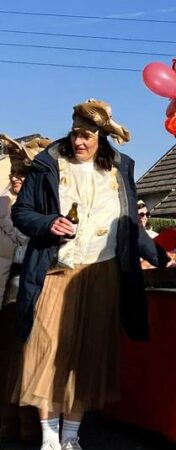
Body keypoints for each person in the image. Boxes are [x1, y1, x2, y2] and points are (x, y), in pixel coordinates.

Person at [11, 99, 165, 450]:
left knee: (88, 353)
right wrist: (48, 223)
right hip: (56, 269)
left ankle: (71, 436)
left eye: (87, 136)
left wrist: (161, 257)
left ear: (101, 137)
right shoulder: (48, 164)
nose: (79, 141)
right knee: (47, 349)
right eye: (75, 133)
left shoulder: (120, 169)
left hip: (102, 271)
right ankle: (49, 437)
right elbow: (22, 213)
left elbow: (128, 224)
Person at [0, 135, 45, 444]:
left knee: (28, 355)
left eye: (23, 173)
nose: (16, 177)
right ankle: (7, 420)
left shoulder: (42, 210)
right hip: (6, 290)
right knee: (7, 355)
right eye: (14, 171)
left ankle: (27, 419)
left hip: (29, 288)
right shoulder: (2, 204)